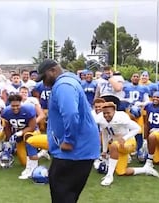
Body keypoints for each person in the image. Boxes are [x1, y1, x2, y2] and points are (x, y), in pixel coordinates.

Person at [35, 59, 99, 203]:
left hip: (74, 151)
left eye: (44, 77)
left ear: (53, 71)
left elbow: (71, 114)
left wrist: (69, 141)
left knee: (62, 195)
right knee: (66, 194)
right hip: (78, 150)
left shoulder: (64, 85)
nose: (44, 83)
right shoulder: (67, 83)